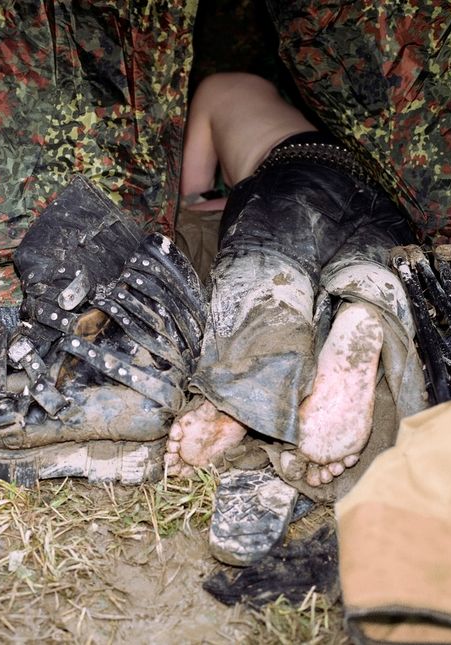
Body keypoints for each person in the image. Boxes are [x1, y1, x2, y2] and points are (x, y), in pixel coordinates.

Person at [164, 72, 416, 487]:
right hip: (377, 185)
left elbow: (194, 196)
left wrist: (241, 193)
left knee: (267, 278)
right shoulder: (301, 105)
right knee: (365, 263)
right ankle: (365, 302)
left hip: (290, 167)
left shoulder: (212, 88)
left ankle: (245, 386)